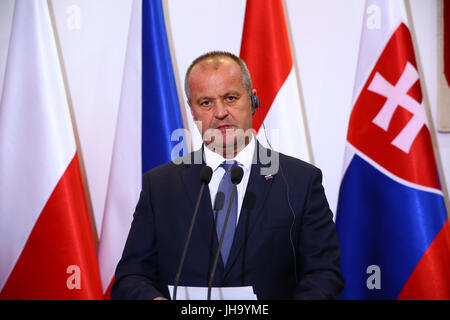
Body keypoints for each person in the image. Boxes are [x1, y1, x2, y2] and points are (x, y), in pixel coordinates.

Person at [111, 51, 344, 300]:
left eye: (230, 98)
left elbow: (324, 274)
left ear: (252, 101)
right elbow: (131, 277)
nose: (220, 112)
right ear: (192, 111)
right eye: (206, 103)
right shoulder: (160, 186)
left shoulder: (300, 181)